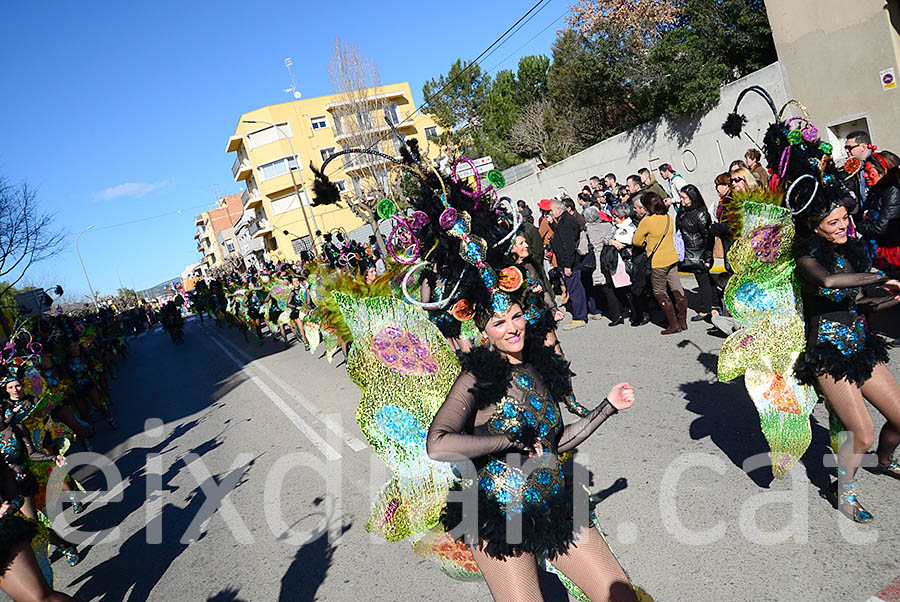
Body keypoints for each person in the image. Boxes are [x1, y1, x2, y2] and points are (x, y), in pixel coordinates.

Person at [428, 303, 639, 602]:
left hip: (553, 504)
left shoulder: (539, 367)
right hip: (499, 516)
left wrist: (607, 408)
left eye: (516, 316)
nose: (512, 328)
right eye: (499, 323)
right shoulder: (475, 378)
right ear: (483, 332)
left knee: (621, 597)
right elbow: (437, 444)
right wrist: (507, 441)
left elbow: (556, 442)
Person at [632, 193, 686, 334]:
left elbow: (636, 241)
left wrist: (647, 241)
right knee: (677, 289)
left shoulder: (647, 221)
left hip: (658, 262)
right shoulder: (668, 218)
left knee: (659, 292)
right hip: (672, 258)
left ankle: (673, 324)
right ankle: (683, 321)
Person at [856, 151, 900, 277]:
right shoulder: (877, 190)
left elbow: (880, 228)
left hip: (893, 252)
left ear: (884, 172)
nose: (865, 176)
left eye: (869, 172)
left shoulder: (893, 191)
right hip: (883, 249)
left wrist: (858, 225)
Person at [676, 185, 715, 321]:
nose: (682, 200)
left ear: (692, 197)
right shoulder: (683, 211)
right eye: (681, 197)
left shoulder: (701, 214)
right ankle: (714, 303)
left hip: (699, 252)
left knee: (702, 280)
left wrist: (707, 257)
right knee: (706, 279)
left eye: (684, 197)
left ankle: (706, 309)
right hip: (688, 250)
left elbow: (708, 237)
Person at [585, 206, 628, 326]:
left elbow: (582, 249)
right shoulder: (608, 225)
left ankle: (616, 315)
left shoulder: (587, 230)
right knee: (617, 285)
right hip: (612, 257)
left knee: (607, 289)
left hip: (599, 260)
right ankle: (624, 309)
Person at [549, 199, 588, 330]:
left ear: (559, 210)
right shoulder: (565, 220)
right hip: (571, 261)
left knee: (575, 289)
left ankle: (579, 317)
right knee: (579, 287)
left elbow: (568, 245)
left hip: (571, 262)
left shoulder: (565, 222)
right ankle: (590, 311)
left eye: (552, 210)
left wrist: (567, 265)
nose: (550, 212)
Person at [844, 130, 877, 211]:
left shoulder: (879, 163)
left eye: (850, 148)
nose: (847, 151)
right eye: (845, 148)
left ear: (863, 147)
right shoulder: (854, 167)